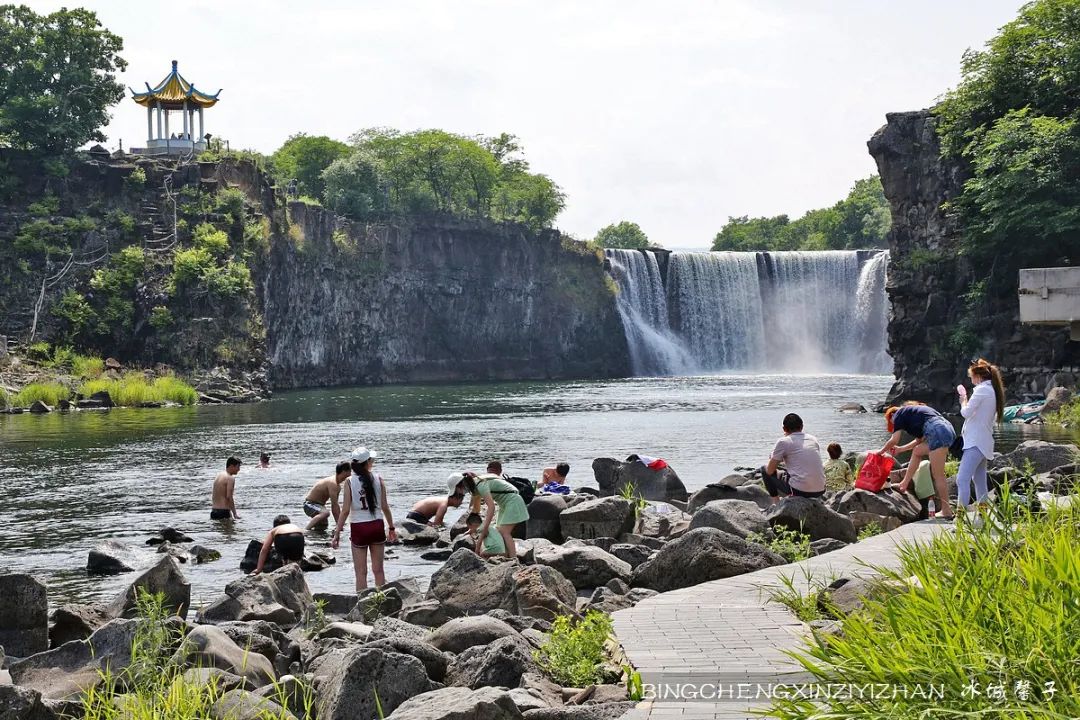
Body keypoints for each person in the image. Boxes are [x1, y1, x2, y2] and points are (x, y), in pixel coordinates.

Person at [331, 447, 397, 591]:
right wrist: (391, 528)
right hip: (377, 525)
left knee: (361, 573)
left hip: (359, 528)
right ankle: (381, 603)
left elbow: (345, 510)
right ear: (368, 462)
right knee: (378, 570)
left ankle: (362, 606)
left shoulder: (349, 482)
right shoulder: (379, 479)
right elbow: (385, 507)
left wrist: (337, 533)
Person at [884, 403, 956, 520]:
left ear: (892, 415)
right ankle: (904, 484)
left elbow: (894, 440)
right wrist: (901, 449)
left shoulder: (897, 415)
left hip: (937, 431)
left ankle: (946, 510)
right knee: (917, 451)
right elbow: (919, 441)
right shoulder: (916, 414)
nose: (894, 424)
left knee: (938, 475)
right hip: (946, 429)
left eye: (891, 421)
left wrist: (880, 452)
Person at [955, 359, 1006, 510]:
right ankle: (982, 520)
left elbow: (966, 413)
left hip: (975, 443)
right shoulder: (992, 390)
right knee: (979, 481)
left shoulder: (982, 390)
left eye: (971, 377)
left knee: (961, 479)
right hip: (984, 442)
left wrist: (964, 400)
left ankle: (959, 520)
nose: (971, 380)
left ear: (978, 376)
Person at [448, 471, 527, 560]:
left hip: (512, 501)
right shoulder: (474, 487)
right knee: (499, 530)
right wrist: (473, 528)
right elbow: (476, 509)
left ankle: (514, 559)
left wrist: (482, 534)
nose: (459, 494)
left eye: (456, 491)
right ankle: (506, 556)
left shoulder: (480, 484)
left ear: (460, 485)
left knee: (505, 532)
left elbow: (491, 507)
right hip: (504, 503)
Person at [762, 413, 826, 503]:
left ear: (784, 429)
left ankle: (776, 503)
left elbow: (770, 470)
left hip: (800, 491)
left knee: (764, 470)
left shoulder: (783, 441)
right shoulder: (813, 439)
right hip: (820, 489)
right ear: (802, 426)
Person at [303, 461, 350, 530]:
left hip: (319, 506)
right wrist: (339, 523)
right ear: (344, 472)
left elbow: (335, 506)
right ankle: (305, 530)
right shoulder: (332, 483)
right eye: (349, 471)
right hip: (310, 504)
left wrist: (339, 523)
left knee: (323, 525)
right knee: (325, 513)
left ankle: (315, 539)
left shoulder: (337, 486)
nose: (350, 474)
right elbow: (334, 506)